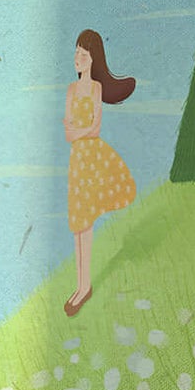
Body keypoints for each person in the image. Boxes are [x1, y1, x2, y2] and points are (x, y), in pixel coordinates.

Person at [62, 27, 136, 316]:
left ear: (93, 58)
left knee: (87, 221)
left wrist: (79, 130)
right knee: (77, 223)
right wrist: (79, 130)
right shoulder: (71, 89)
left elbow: (93, 127)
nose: (77, 59)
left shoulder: (95, 88)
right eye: (76, 53)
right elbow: (69, 131)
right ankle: (81, 285)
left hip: (92, 159)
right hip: (78, 161)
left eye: (83, 54)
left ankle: (85, 285)